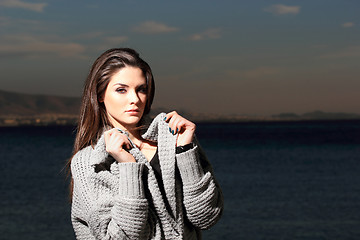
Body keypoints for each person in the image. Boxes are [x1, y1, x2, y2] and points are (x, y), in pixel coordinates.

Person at [68, 48, 223, 239]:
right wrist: (128, 167)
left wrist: (185, 151)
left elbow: (207, 217)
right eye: (121, 90)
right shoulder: (90, 161)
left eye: (141, 89)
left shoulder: (174, 140)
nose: (135, 99)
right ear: (100, 95)